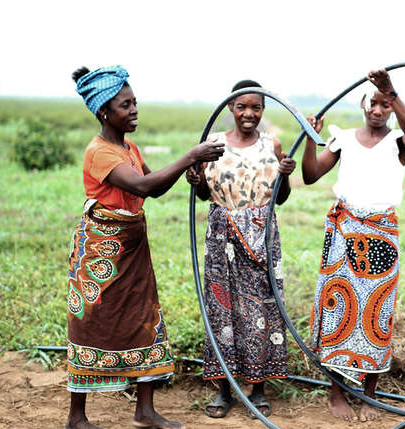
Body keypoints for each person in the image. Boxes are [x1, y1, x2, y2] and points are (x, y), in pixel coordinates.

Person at [65, 65, 224, 429]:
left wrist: (190, 171)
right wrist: (190, 156)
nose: (134, 109)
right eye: (125, 105)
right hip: (102, 251)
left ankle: (145, 410)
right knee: (91, 324)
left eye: (135, 102)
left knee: (144, 318)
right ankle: (77, 417)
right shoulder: (100, 152)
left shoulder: (129, 147)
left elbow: (153, 182)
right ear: (105, 110)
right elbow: (144, 188)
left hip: (134, 245)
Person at [299, 69, 405, 422]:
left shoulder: (399, 142)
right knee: (339, 307)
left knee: (376, 311)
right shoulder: (344, 140)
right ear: (362, 104)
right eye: (374, 103)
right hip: (344, 230)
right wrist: (311, 139)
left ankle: (370, 392)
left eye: (386, 105)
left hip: (381, 233)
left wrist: (392, 92)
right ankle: (336, 393)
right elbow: (309, 175)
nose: (379, 110)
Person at [184, 80, 296, 419]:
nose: (249, 113)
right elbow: (204, 195)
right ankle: (223, 391)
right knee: (223, 309)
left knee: (263, 308)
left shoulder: (271, 145)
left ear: (263, 110)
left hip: (262, 237)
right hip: (223, 237)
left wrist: (286, 175)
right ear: (231, 108)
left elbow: (281, 197)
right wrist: (197, 180)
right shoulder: (213, 144)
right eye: (242, 107)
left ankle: (258, 390)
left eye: (256, 107)